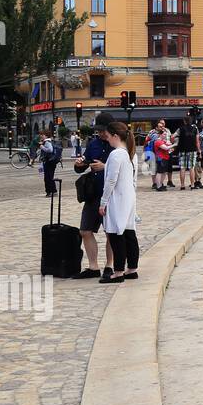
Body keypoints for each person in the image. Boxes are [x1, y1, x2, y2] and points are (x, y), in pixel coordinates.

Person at [72, 113, 115, 280]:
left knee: (111, 232)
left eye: (103, 131)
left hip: (110, 194)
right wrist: (79, 165)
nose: (101, 134)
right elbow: (84, 164)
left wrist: (104, 166)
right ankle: (93, 267)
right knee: (85, 230)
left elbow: (126, 168)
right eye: (99, 131)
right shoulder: (93, 144)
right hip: (93, 194)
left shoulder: (118, 144)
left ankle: (109, 266)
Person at [98, 121, 139, 284]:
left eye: (108, 137)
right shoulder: (129, 154)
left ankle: (119, 271)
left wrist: (103, 201)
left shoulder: (116, 154)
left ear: (115, 136)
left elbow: (111, 180)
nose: (107, 140)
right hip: (128, 196)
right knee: (129, 232)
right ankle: (132, 268)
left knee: (116, 233)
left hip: (117, 198)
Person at [176, 117, 199, 189]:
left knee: (182, 168)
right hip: (192, 150)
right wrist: (199, 150)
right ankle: (192, 185)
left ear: (184, 121)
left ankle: (182, 185)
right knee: (191, 168)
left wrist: (176, 141)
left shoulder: (180, 129)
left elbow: (173, 137)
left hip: (182, 150)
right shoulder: (195, 129)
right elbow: (197, 141)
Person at [38, 129, 60, 197]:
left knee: (48, 177)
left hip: (49, 161)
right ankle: (51, 191)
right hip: (50, 161)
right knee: (49, 176)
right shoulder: (47, 141)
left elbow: (50, 150)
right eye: (40, 135)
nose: (41, 136)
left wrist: (42, 147)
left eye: (42, 135)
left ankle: (51, 191)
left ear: (46, 135)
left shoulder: (47, 142)